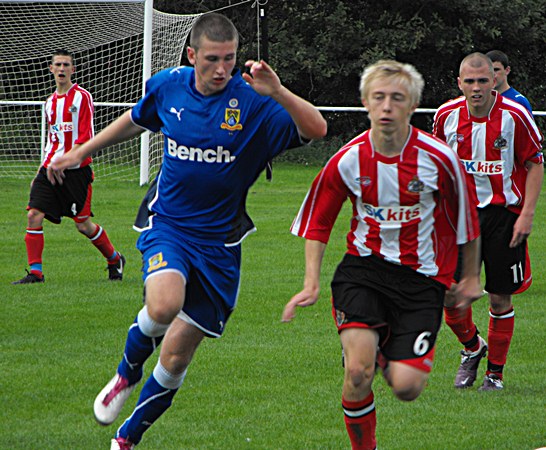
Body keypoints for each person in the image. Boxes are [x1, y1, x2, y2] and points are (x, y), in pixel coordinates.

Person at [48, 13, 326, 449]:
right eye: (212, 59)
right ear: (192, 54)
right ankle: (125, 373)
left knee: (176, 357)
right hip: (170, 225)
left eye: (230, 59)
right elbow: (136, 119)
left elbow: (317, 129)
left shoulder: (251, 101)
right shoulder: (169, 84)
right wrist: (81, 151)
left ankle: (126, 438)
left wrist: (278, 92)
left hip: (220, 244)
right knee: (163, 304)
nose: (222, 70)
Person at [282, 60, 482, 450]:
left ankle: (385, 355)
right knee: (357, 372)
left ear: (412, 106)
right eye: (379, 98)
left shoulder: (439, 159)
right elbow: (318, 223)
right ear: (365, 103)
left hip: (422, 280)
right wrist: (311, 282)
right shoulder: (348, 159)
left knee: (407, 388)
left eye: (397, 98)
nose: (387, 106)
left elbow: (467, 222)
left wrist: (471, 277)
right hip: (363, 272)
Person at [433, 52, 543, 391]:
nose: (477, 87)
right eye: (470, 81)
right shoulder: (446, 116)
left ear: (494, 81)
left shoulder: (516, 115)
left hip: (503, 217)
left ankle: (495, 374)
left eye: (483, 80)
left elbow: (535, 163)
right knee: (451, 296)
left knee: (499, 297)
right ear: (459, 83)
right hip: (460, 218)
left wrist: (526, 215)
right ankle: (472, 348)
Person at [12, 49, 125, 285]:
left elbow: (86, 138)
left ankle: (114, 259)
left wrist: (69, 160)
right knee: (34, 214)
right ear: (51, 69)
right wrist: (39, 171)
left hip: (76, 172)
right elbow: (51, 141)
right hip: (50, 169)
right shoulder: (49, 103)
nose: (62, 69)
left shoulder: (82, 97)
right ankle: (36, 273)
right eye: (58, 65)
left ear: (73, 70)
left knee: (83, 225)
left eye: (66, 65)